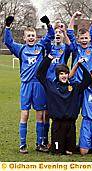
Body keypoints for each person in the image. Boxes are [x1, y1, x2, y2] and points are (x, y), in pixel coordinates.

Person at [3, 15, 54, 153]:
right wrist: (7, 27)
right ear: (24, 38)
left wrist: (48, 24)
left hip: (38, 85)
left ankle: (39, 143)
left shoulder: (41, 47)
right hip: (26, 85)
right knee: (24, 114)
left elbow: (51, 35)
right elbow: (7, 41)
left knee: (40, 115)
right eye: (28, 36)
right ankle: (22, 144)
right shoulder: (20, 49)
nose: (31, 37)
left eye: (33, 35)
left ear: (36, 37)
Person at [36, 56, 91, 155]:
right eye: (61, 74)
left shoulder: (74, 87)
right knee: (57, 152)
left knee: (70, 152)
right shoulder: (50, 86)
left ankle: (69, 146)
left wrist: (80, 65)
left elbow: (88, 80)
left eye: (66, 73)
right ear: (57, 75)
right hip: (57, 124)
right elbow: (39, 74)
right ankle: (55, 146)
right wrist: (48, 59)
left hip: (70, 124)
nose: (64, 76)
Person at [67, 11, 92, 83]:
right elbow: (69, 32)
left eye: (86, 38)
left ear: (89, 38)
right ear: (78, 39)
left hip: (89, 81)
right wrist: (73, 16)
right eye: (82, 38)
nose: (84, 40)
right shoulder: (76, 48)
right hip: (77, 82)